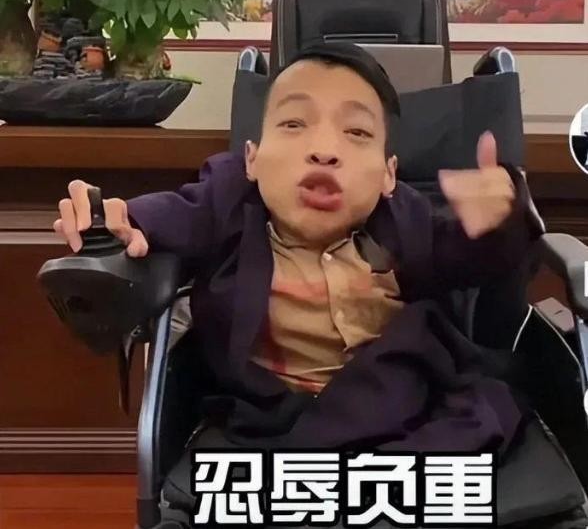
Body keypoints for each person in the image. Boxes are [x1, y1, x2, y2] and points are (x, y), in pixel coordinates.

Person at [54, 42, 540, 458]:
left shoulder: (407, 220)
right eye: (293, 124)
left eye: (357, 132)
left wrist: (499, 219)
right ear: (251, 159)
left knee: (477, 396)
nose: (324, 149)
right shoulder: (227, 203)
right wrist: (120, 221)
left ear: (389, 175)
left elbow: (475, 261)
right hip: (275, 413)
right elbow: (173, 215)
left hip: (405, 401)